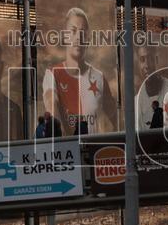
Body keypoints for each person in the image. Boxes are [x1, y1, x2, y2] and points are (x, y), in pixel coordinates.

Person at [42, 7, 118, 135]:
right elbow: (51, 105)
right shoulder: (53, 73)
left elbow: (113, 120)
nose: (78, 37)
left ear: (87, 39)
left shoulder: (99, 77)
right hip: (69, 150)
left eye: (82, 32)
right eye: (73, 31)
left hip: (94, 149)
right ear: (65, 36)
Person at [135, 44, 168, 130]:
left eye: (150, 59)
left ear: (156, 60)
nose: (147, 65)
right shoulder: (137, 101)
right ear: (138, 64)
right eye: (142, 60)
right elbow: (137, 140)